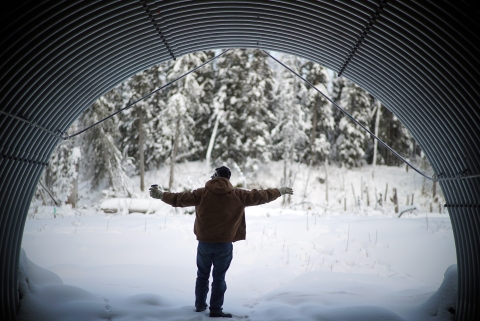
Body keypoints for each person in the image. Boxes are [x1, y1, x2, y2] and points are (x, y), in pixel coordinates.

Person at [150, 166, 293, 318]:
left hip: (204, 243)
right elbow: (260, 195)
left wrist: (160, 195)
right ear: (228, 179)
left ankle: (200, 306)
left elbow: (179, 199)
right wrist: (279, 191)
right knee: (219, 277)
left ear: (215, 176)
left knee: (202, 275)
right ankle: (216, 310)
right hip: (224, 244)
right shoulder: (238, 194)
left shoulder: (202, 193)